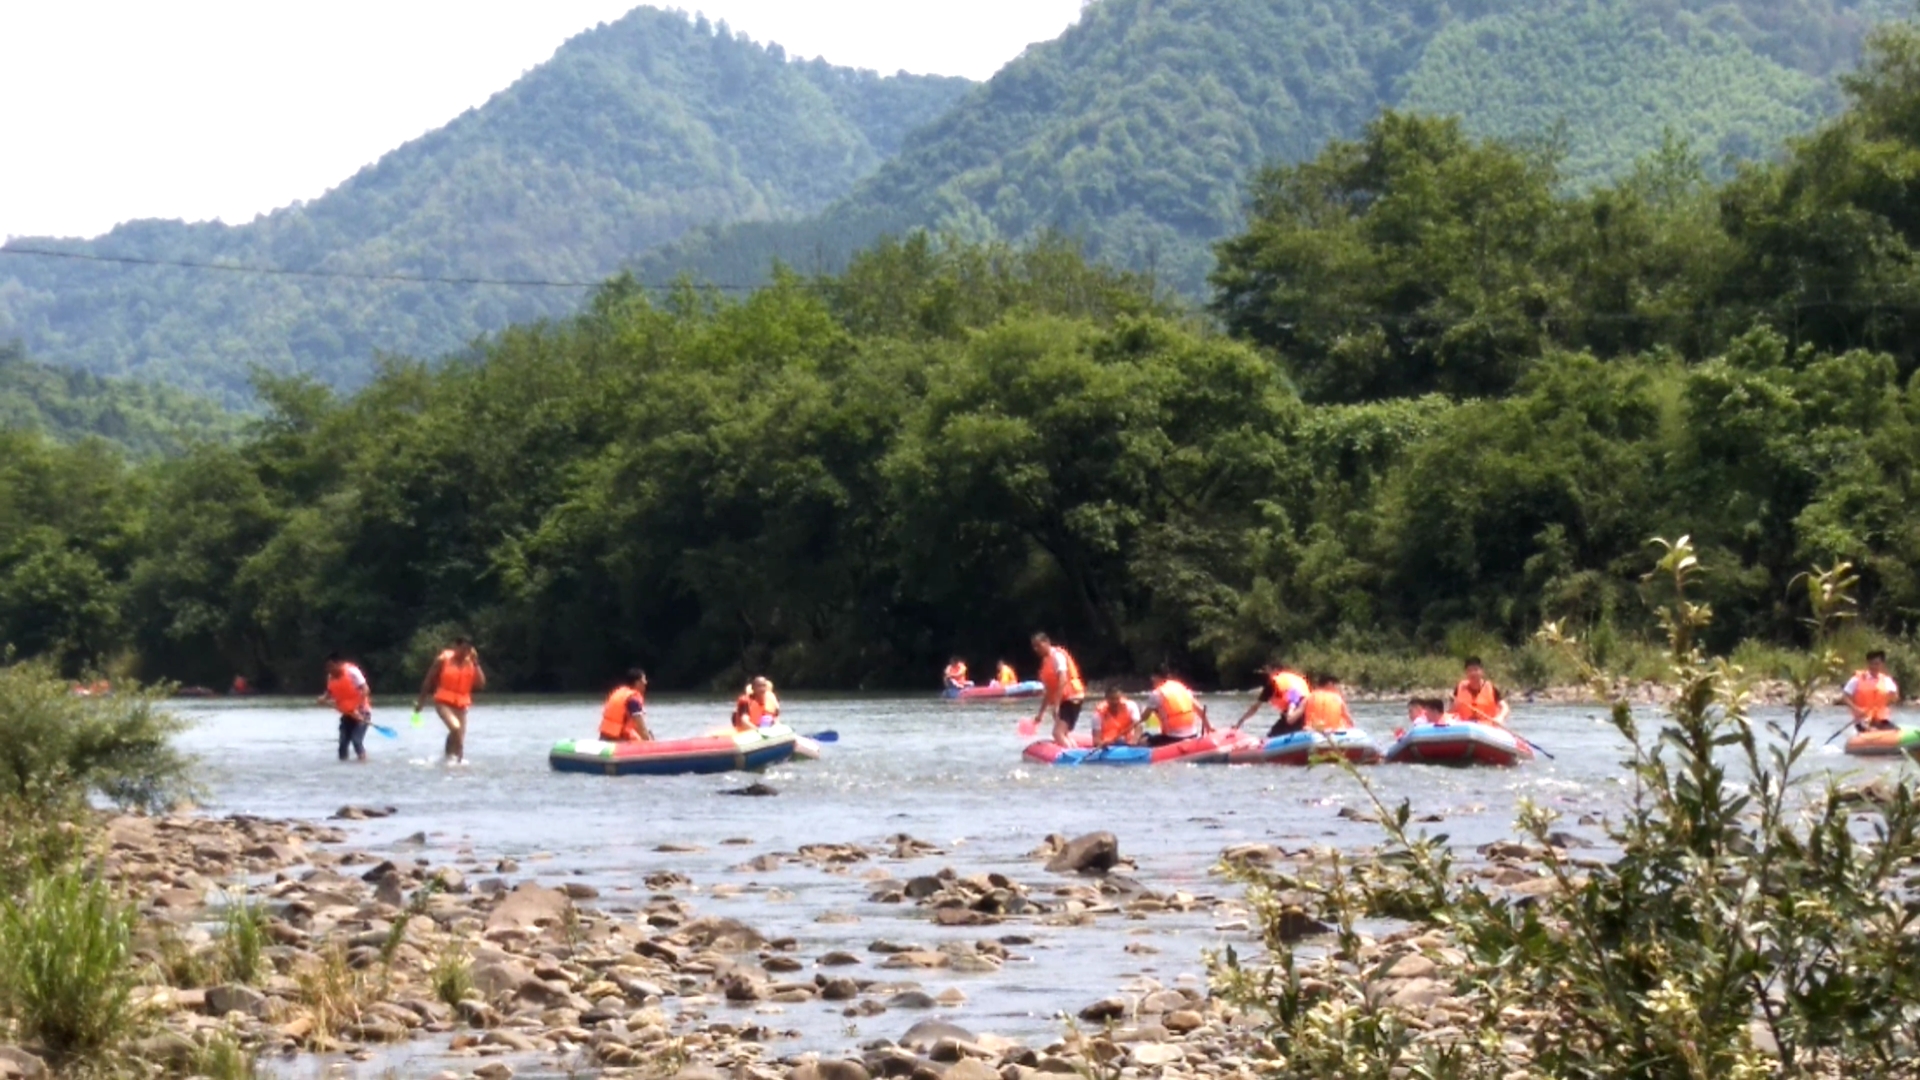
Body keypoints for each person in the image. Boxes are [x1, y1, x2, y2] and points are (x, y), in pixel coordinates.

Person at [414, 636, 486, 765]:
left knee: (458, 736)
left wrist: (476, 663)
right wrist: (421, 702)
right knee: (456, 728)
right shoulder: (443, 660)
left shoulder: (471, 662)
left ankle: (448, 759)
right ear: (456, 647)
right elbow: (428, 681)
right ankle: (460, 760)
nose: (465, 653)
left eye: (468, 650)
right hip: (443, 702)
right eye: (463, 649)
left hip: (461, 705)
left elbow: (481, 684)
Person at [1030, 633, 1086, 747]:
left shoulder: (1057, 656)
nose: (1036, 649)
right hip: (1064, 700)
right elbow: (1049, 691)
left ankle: (1071, 760)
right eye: (1034, 646)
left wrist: (1056, 705)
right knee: (1064, 734)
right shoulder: (1046, 661)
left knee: (1058, 733)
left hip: (1072, 698)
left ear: (1047, 642)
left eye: (1038, 646)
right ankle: (1075, 754)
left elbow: (1063, 680)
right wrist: (1040, 714)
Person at [316, 653, 372, 763]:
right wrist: (323, 698)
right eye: (328, 667)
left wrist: (358, 709)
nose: (329, 670)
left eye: (331, 666)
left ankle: (363, 763)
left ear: (339, 664)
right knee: (342, 744)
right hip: (347, 714)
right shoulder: (331, 677)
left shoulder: (352, 672)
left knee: (356, 741)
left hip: (362, 713)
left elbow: (366, 690)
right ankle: (343, 768)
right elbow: (330, 692)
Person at [1236, 661, 1309, 736]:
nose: (1267, 674)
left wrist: (1240, 721)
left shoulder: (1274, 684)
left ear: (1275, 670)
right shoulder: (1296, 678)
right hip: (1308, 712)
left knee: (1271, 736)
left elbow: (1255, 708)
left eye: (1268, 670)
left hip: (1294, 714)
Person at [1142, 665, 1208, 746]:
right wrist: (1208, 727)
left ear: (1155, 677)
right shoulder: (1181, 688)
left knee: (1143, 739)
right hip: (1192, 735)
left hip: (1172, 738)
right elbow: (1200, 710)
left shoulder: (1157, 694)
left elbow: (1144, 718)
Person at [1845, 651, 1901, 732]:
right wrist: (1856, 709)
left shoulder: (1886, 680)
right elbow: (1845, 696)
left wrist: (1893, 697)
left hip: (1880, 719)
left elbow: (1895, 697)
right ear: (1867, 664)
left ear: (1882, 664)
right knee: (1873, 731)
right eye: (1871, 664)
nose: (1874, 666)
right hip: (1863, 719)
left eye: (1877, 664)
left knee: (1895, 732)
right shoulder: (1857, 679)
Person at [1451, 657, 1511, 726]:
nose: (1473, 673)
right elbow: (1451, 711)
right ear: (1466, 673)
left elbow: (1505, 707)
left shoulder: (1491, 688)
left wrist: (1500, 717)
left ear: (1482, 671)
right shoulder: (1459, 688)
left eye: (1475, 670)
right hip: (1465, 726)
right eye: (1469, 670)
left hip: (1487, 727)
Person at [598, 669, 653, 743]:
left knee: (646, 734)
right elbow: (640, 726)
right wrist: (649, 742)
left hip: (604, 737)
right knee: (646, 737)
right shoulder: (633, 699)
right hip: (618, 739)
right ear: (637, 683)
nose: (646, 683)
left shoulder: (620, 693)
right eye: (644, 680)